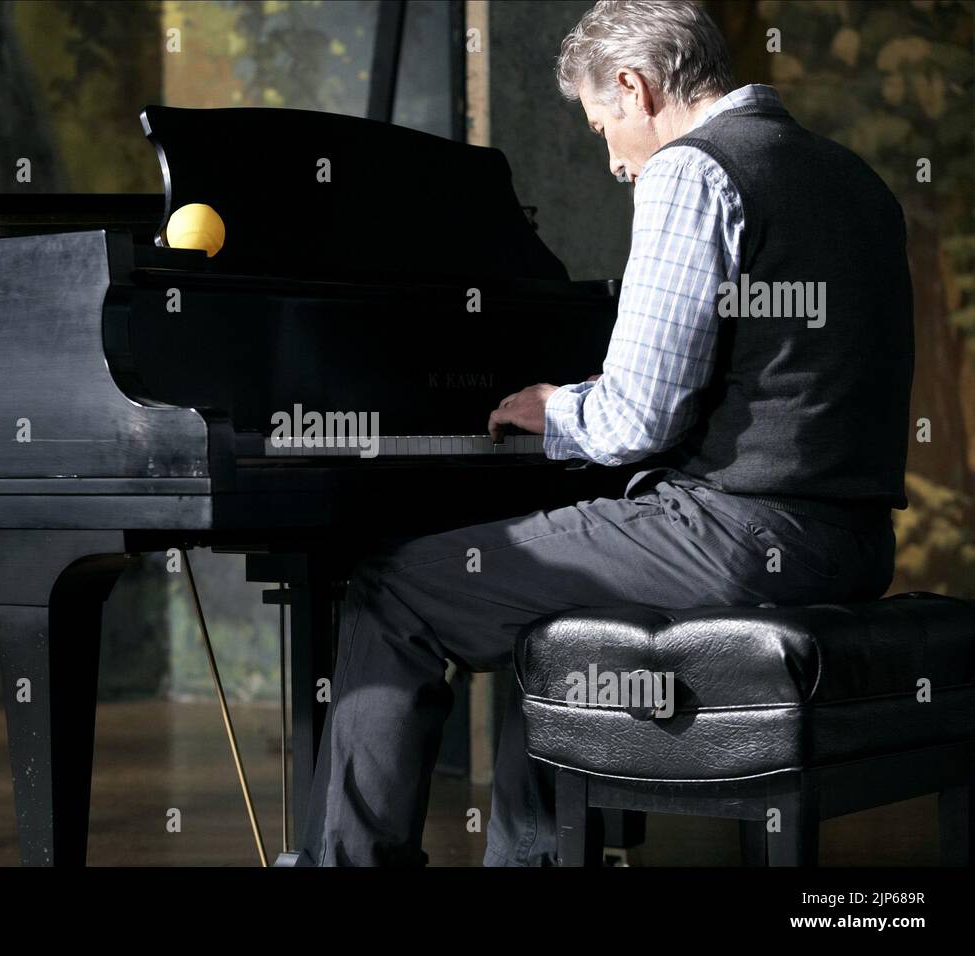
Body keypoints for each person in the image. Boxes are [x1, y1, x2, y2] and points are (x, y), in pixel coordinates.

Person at [294, 0, 913, 866]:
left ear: (635, 86)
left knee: (394, 592)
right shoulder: (854, 179)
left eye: (599, 125)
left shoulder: (692, 171)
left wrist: (556, 407)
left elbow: (634, 420)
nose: (614, 160)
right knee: (550, 609)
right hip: (854, 544)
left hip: (734, 533)